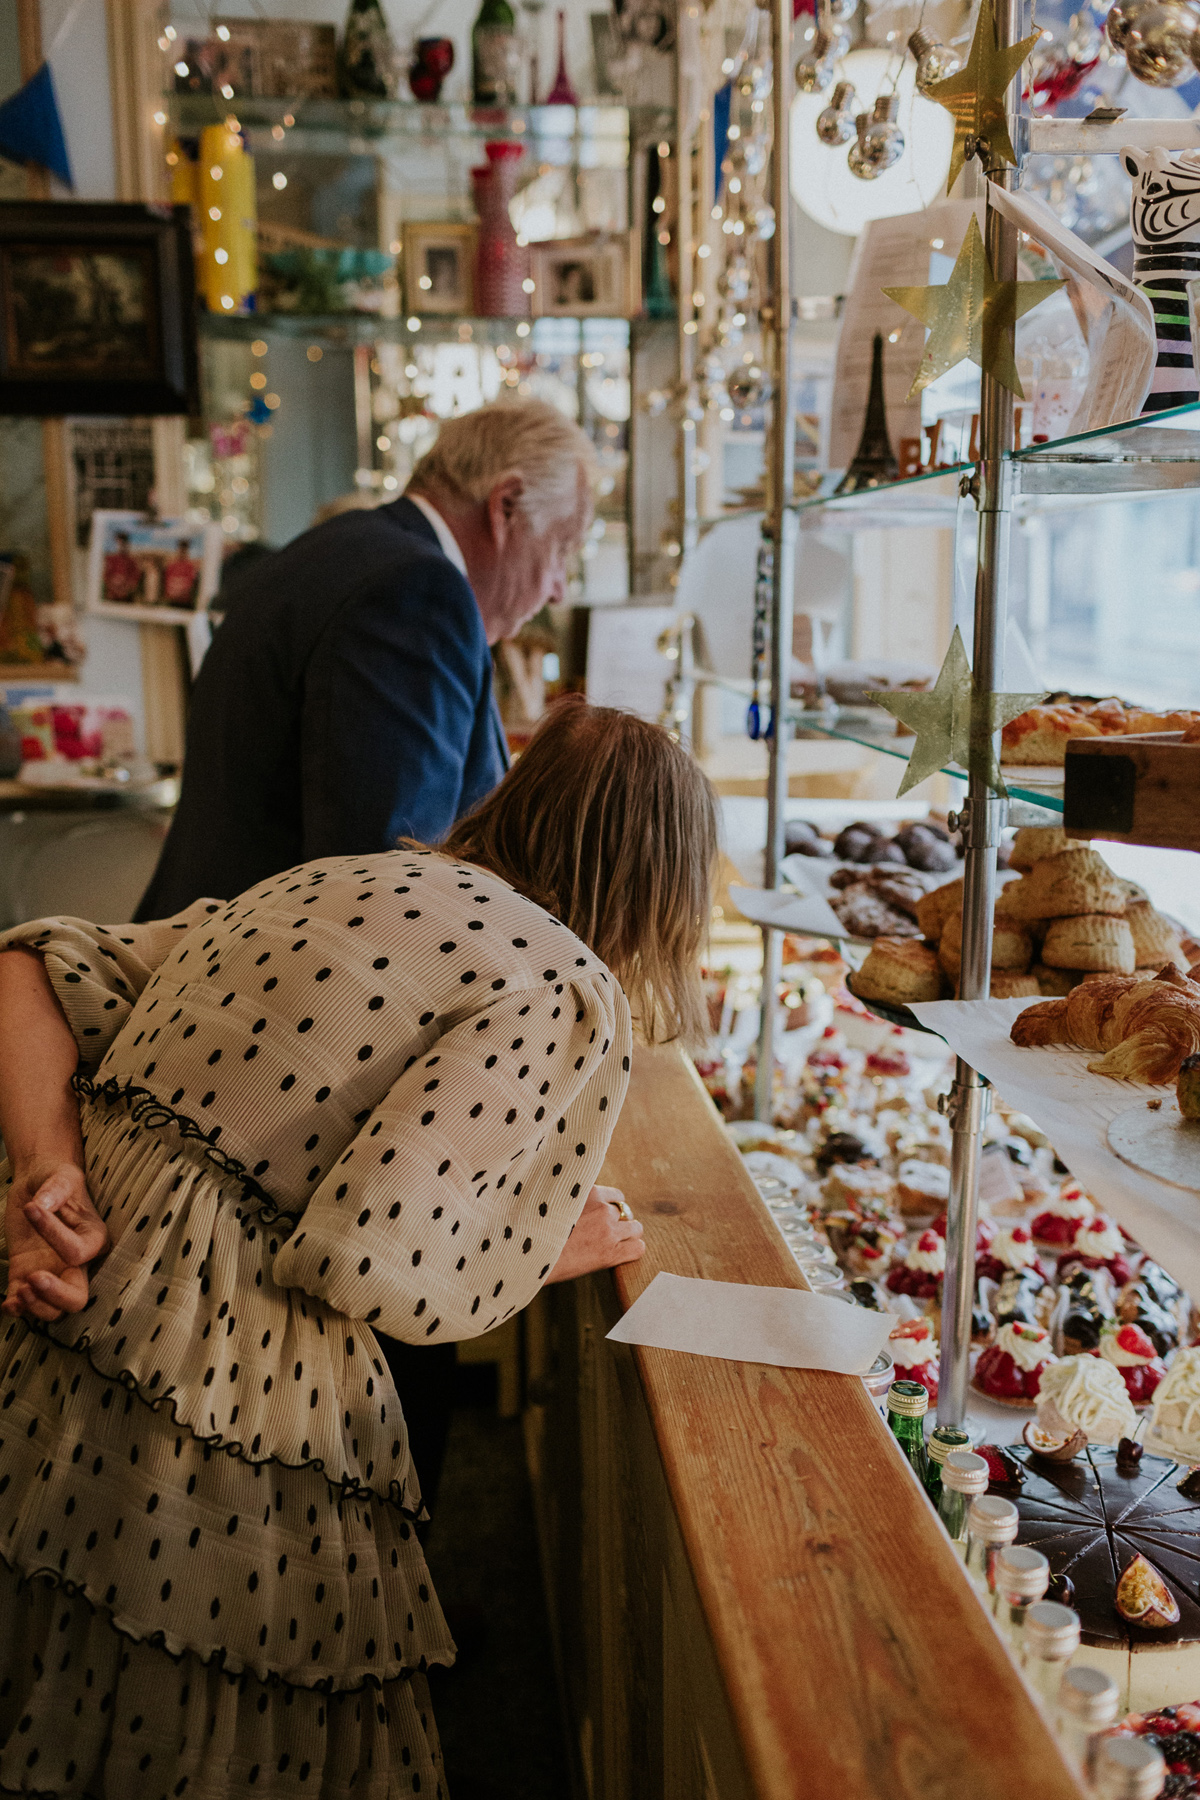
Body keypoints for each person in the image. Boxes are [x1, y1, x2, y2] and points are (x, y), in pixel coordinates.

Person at [0, 698, 718, 1799]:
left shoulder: (340, 877)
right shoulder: (564, 983)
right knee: (217, 1713)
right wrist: (535, 1250)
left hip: (74, 1285)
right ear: (660, 887)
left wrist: (51, 1169)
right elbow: (365, 1256)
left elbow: (31, 966)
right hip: (222, 1359)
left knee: (62, 1665)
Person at [136, 398, 596, 923]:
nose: (558, 589)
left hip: (213, 958)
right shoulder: (417, 594)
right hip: (277, 989)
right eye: (563, 549)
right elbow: (388, 892)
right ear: (506, 504)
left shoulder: (338, 550)